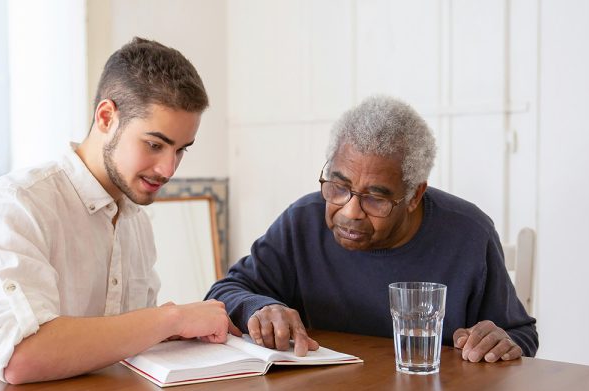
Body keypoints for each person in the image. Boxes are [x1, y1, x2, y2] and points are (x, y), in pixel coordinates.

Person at [0, 37, 240, 390]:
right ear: (106, 117)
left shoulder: (136, 221)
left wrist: (184, 334)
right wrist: (171, 319)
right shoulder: (19, 204)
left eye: (180, 150)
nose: (168, 169)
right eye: (154, 145)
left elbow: (128, 340)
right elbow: (21, 358)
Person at [206, 95, 538, 363]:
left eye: (375, 199)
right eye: (338, 187)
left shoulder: (468, 234)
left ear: (413, 196)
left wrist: (499, 340)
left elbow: (520, 334)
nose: (349, 212)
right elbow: (223, 293)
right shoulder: (302, 222)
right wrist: (260, 307)